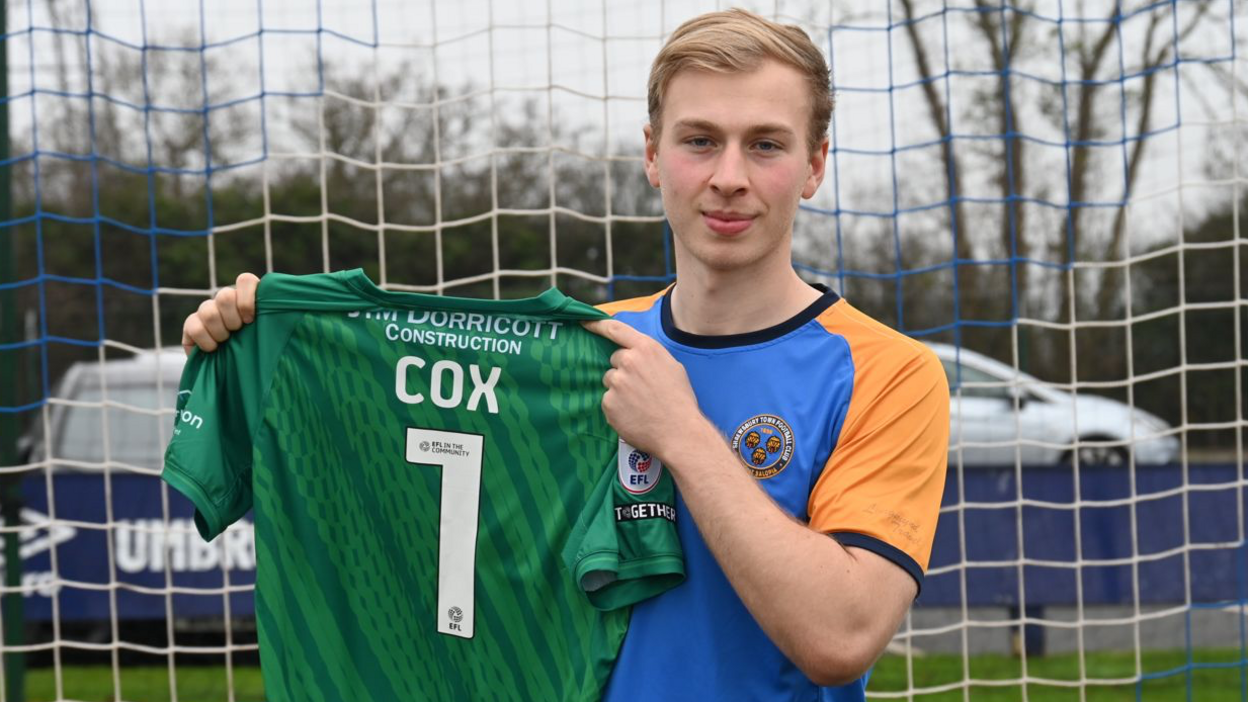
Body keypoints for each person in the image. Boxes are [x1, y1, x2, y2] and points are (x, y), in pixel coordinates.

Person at [182, 9, 949, 700]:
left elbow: (840, 638)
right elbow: (382, 487)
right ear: (654, 156)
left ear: (814, 166)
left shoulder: (890, 374)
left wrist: (680, 433)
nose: (728, 178)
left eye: (766, 145)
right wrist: (264, 350)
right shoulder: (574, 347)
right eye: (700, 140)